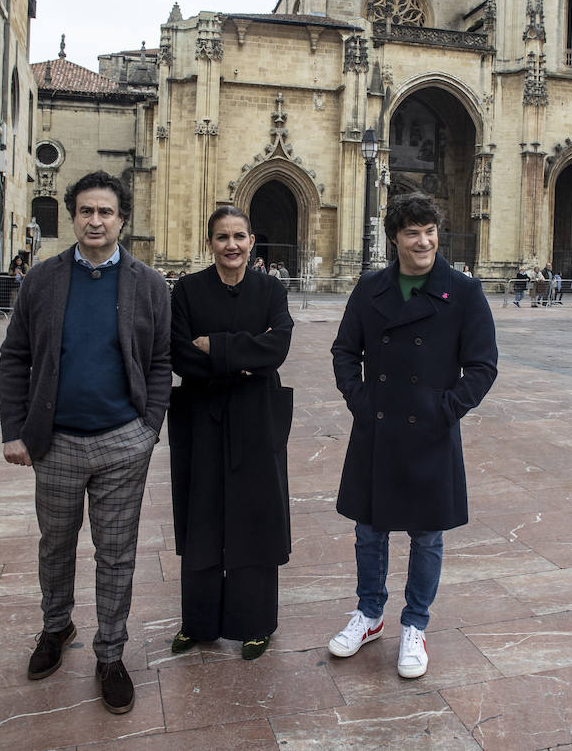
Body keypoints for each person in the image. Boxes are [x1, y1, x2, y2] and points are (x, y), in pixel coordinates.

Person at [0, 170, 171, 715]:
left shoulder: (149, 285)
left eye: (106, 213)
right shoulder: (43, 280)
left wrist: (149, 429)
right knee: (56, 545)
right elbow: (15, 356)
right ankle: (55, 627)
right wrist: (15, 431)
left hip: (124, 442)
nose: (95, 221)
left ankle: (110, 653)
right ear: (73, 217)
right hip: (56, 444)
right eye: (86, 212)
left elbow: (162, 361)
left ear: (122, 220)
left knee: (116, 555)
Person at [328, 193, 498, 680]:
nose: (423, 242)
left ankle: (415, 624)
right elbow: (344, 351)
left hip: (430, 430)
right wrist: (360, 401)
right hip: (377, 427)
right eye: (412, 233)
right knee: (369, 529)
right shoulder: (370, 288)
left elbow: (483, 365)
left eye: (429, 231)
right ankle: (369, 614)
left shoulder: (463, 292)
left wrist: (445, 409)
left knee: (427, 535)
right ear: (394, 239)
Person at [168, 206, 294, 661]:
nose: (232, 245)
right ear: (210, 244)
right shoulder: (186, 290)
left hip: (257, 417)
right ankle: (197, 622)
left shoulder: (270, 289)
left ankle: (255, 624)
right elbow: (181, 354)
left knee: (254, 518)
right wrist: (243, 356)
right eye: (222, 237)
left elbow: (277, 347)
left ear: (252, 240)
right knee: (201, 515)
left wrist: (216, 345)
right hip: (201, 416)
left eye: (239, 236)